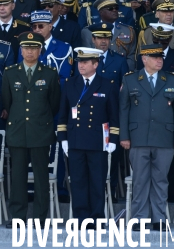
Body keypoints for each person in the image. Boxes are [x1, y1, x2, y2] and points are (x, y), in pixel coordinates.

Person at [119, 44, 174, 231]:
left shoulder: (172, 80)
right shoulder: (131, 80)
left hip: (165, 137)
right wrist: (124, 136)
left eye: (161, 57)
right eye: (155, 57)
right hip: (138, 137)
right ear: (144, 59)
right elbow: (123, 110)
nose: (159, 60)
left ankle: (159, 218)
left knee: (160, 179)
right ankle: (139, 218)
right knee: (140, 179)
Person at [2, 31, 61, 228]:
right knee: (17, 177)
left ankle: (39, 218)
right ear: (21, 50)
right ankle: (17, 217)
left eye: (34, 48)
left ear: (40, 50)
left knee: (41, 178)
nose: (29, 51)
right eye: (26, 48)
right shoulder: (10, 73)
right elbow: (7, 104)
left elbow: (54, 104)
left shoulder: (50, 74)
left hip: (40, 132)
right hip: (17, 131)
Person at [57, 47, 118, 226]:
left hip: (98, 141)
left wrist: (113, 140)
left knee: (97, 181)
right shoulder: (70, 83)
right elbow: (63, 114)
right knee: (78, 182)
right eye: (79, 62)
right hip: (75, 140)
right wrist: (64, 139)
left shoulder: (107, 84)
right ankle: (81, 218)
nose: (81, 65)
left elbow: (113, 115)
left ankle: (97, 218)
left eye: (85, 62)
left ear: (95, 64)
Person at [80, 0, 137, 70]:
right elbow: (87, 57)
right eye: (110, 9)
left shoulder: (128, 31)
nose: (114, 10)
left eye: (116, 8)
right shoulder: (88, 32)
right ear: (101, 12)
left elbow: (131, 56)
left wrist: (125, 74)